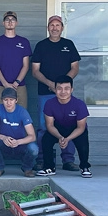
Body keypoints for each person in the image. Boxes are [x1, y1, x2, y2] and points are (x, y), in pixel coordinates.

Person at [32, 15, 81, 171]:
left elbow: (75, 68)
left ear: (62, 28)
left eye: (57, 25)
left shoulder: (69, 45)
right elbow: (35, 71)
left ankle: (68, 160)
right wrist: (51, 84)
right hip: (45, 93)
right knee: (43, 127)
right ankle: (42, 159)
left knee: (69, 126)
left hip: (65, 95)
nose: (54, 28)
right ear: (48, 27)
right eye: (51, 25)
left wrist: (62, 86)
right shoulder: (41, 46)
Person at [37, 75, 92, 178]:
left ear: (71, 89)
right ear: (55, 89)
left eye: (66, 88)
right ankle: (49, 167)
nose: (63, 92)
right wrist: (60, 137)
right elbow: (49, 125)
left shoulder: (79, 104)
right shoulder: (49, 103)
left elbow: (81, 127)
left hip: (75, 129)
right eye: (59, 88)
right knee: (45, 139)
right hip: (58, 128)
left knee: (83, 138)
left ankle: (85, 166)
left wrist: (68, 139)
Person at [0, 88, 38, 177]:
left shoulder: (22, 111)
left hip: (20, 144)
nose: (8, 102)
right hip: (4, 143)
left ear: (16, 100)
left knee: (34, 148)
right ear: (2, 100)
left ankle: (27, 169)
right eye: (6, 100)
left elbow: (32, 136)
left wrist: (18, 142)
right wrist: (3, 137)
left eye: (11, 100)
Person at [0, 11, 32, 108]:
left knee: (21, 115)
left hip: (19, 86)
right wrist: (5, 83)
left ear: (16, 23)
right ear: (3, 23)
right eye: (7, 20)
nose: (10, 22)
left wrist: (16, 82)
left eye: (13, 20)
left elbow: (26, 66)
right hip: (0, 85)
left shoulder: (24, 42)